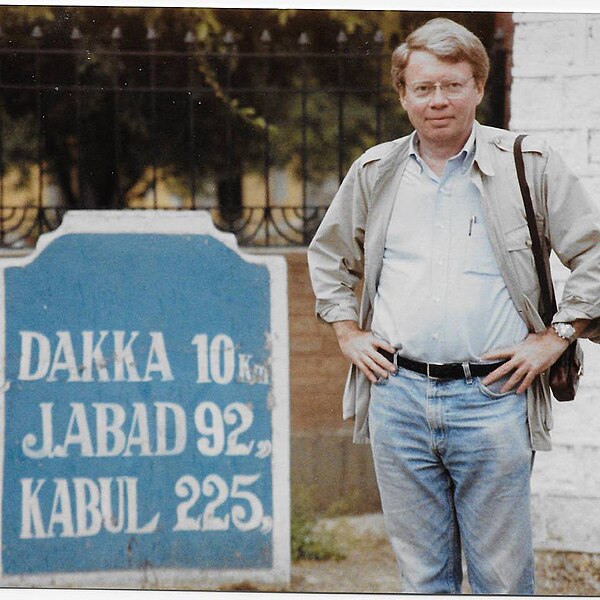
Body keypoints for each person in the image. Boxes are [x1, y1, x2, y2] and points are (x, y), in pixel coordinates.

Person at [307, 17, 600, 595]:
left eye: (452, 85)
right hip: (397, 397)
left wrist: (556, 335)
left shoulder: (529, 165)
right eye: (423, 88)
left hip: (493, 399)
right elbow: (329, 257)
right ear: (403, 95)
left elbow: (595, 255)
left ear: (478, 88)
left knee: (501, 577)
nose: (438, 100)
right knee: (422, 577)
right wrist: (346, 333)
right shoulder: (375, 171)